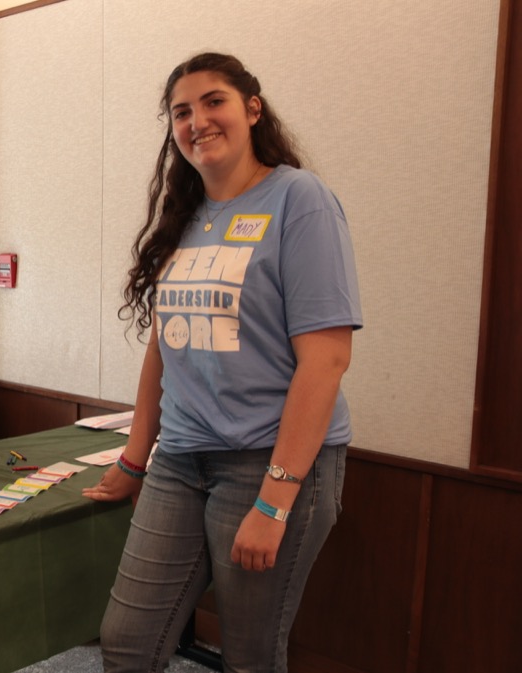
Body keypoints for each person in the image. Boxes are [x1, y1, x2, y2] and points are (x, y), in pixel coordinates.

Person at [83, 53, 362, 672]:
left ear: (251, 109)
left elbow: (327, 359)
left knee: (250, 655)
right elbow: (165, 346)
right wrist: (135, 456)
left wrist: (274, 500)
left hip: (269, 463)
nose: (197, 120)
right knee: (127, 640)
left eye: (214, 102)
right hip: (181, 460)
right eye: (181, 111)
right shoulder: (184, 218)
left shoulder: (300, 199)